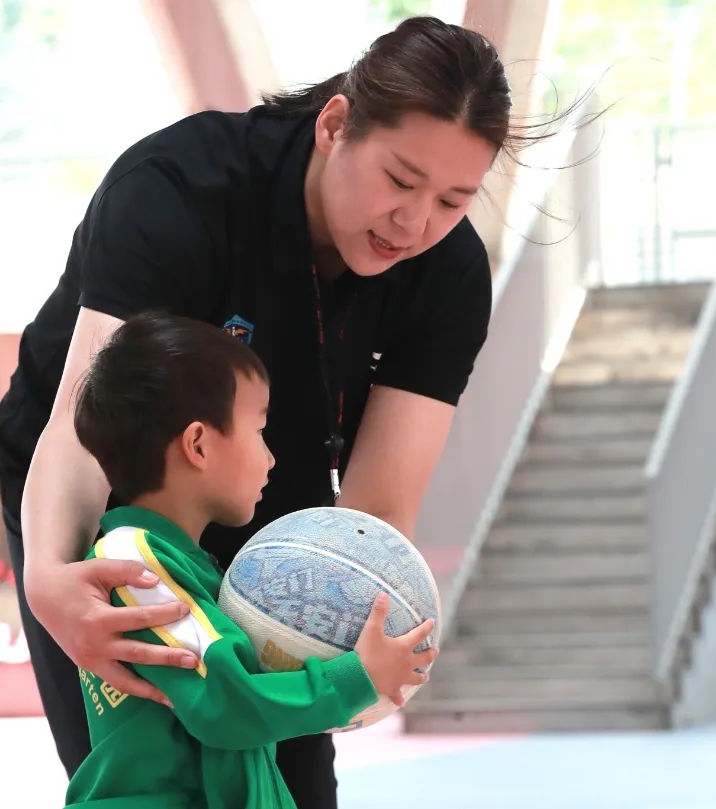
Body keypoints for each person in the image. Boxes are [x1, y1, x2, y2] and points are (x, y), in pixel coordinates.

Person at [0, 15, 520, 808]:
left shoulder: (447, 275)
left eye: (452, 200)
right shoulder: (179, 189)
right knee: (156, 763)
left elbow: (375, 513)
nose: (415, 224)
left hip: (275, 490)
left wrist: (362, 664)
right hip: (113, 479)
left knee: (287, 774)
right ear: (335, 125)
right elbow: (80, 428)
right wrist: (52, 583)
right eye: (400, 180)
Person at [64, 312, 437, 809]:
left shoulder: (183, 566)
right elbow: (226, 706)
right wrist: (357, 677)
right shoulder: (132, 563)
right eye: (260, 431)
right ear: (198, 445)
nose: (271, 458)